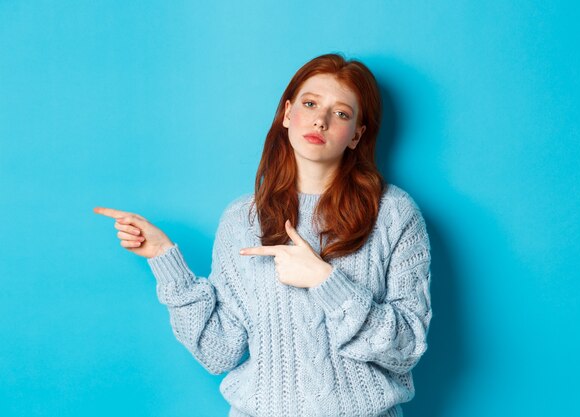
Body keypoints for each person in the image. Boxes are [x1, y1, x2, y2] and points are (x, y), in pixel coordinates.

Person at [94, 53, 432, 417]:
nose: (320, 119)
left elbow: (408, 348)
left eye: (341, 113)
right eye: (310, 103)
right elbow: (218, 350)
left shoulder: (394, 213)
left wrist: (325, 280)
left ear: (356, 136)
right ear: (287, 114)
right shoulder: (243, 219)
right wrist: (165, 259)